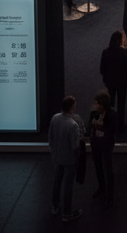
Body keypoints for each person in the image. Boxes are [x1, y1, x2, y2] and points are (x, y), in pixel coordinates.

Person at [47, 94, 85, 223]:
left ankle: (55, 205)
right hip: (69, 159)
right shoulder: (73, 125)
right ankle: (67, 213)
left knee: (57, 181)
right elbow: (75, 146)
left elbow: (50, 137)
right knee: (68, 186)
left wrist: (53, 153)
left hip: (58, 157)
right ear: (72, 108)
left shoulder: (55, 118)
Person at [87, 90, 117, 207]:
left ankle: (110, 194)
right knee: (98, 166)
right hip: (96, 144)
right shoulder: (94, 113)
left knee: (108, 168)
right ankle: (101, 187)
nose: (95, 106)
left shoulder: (112, 114)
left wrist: (101, 129)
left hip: (106, 145)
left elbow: (112, 130)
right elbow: (89, 126)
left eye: (97, 104)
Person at [100, 30, 127, 134]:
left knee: (110, 103)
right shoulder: (125, 53)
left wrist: (106, 77)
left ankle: (110, 124)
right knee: (121, 104)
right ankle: (120, 127)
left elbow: (102, 69)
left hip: (110, 82)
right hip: (122, 82)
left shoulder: (106, 52)